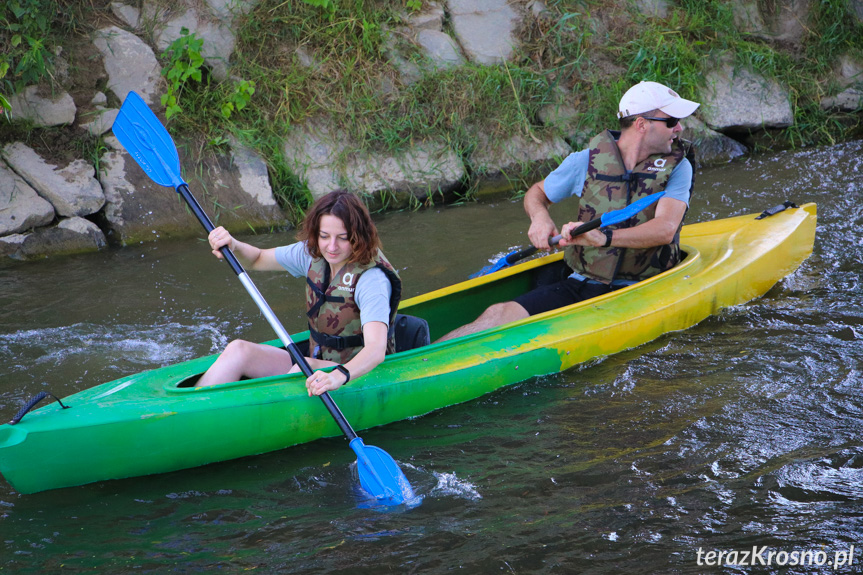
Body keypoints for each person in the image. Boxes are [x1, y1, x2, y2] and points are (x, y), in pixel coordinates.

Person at [438, 80, 700, 342]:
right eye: (672, 120)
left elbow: (665, 229)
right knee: (498, 313)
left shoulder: (678, 167)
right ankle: (426, 362)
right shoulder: (585, 161)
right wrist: (540, 219)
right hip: (583, 281)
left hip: (646, 286)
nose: (679, 128)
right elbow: (536, 193)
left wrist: (605, 238)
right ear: (642, 124)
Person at [196, 190, 401, 395]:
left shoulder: (372, 279)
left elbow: (376, 350)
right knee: (238, 350)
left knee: (301, 370)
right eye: (324, 236)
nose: (331, 246)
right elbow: (257, 258)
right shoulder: (312, 254)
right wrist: (233, 245)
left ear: (358, 236)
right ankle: (196, 405)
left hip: (356, 374)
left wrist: (336, 377)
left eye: (343, 238)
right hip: (315, 362)